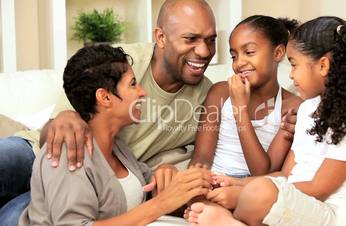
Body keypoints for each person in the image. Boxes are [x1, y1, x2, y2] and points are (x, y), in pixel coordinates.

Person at [0, 0, 215, 222]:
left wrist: (166, 173)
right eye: (190, 39)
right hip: (42, 152)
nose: (204, 51)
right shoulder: (121, 62)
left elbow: (192, 161)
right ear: (161, 37)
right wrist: (64, 117)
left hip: (100, 183)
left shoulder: (208, 98)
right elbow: (57, 132)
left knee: (16, 218)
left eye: (211, 40)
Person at [187, 16, 346, 226]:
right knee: (258, 189)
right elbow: (287, 174)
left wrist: (242, 192)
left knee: (260, 192)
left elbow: (319, 189)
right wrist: (237, 183)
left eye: (295, 65)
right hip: (295, 199)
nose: (291, 76)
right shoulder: (308, 109)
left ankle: (229, 222)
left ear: (323, 65)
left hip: (327, 209)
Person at [189, 15, 302, 179]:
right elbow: (201, 156)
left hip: (249, 190)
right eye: (234, 56)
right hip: (211, 182)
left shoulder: (292, 107)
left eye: (249, 52)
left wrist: (240, 110)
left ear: (277, 53)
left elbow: (263, 174)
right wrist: (196, 181)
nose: (239, 63)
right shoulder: (220, 93)